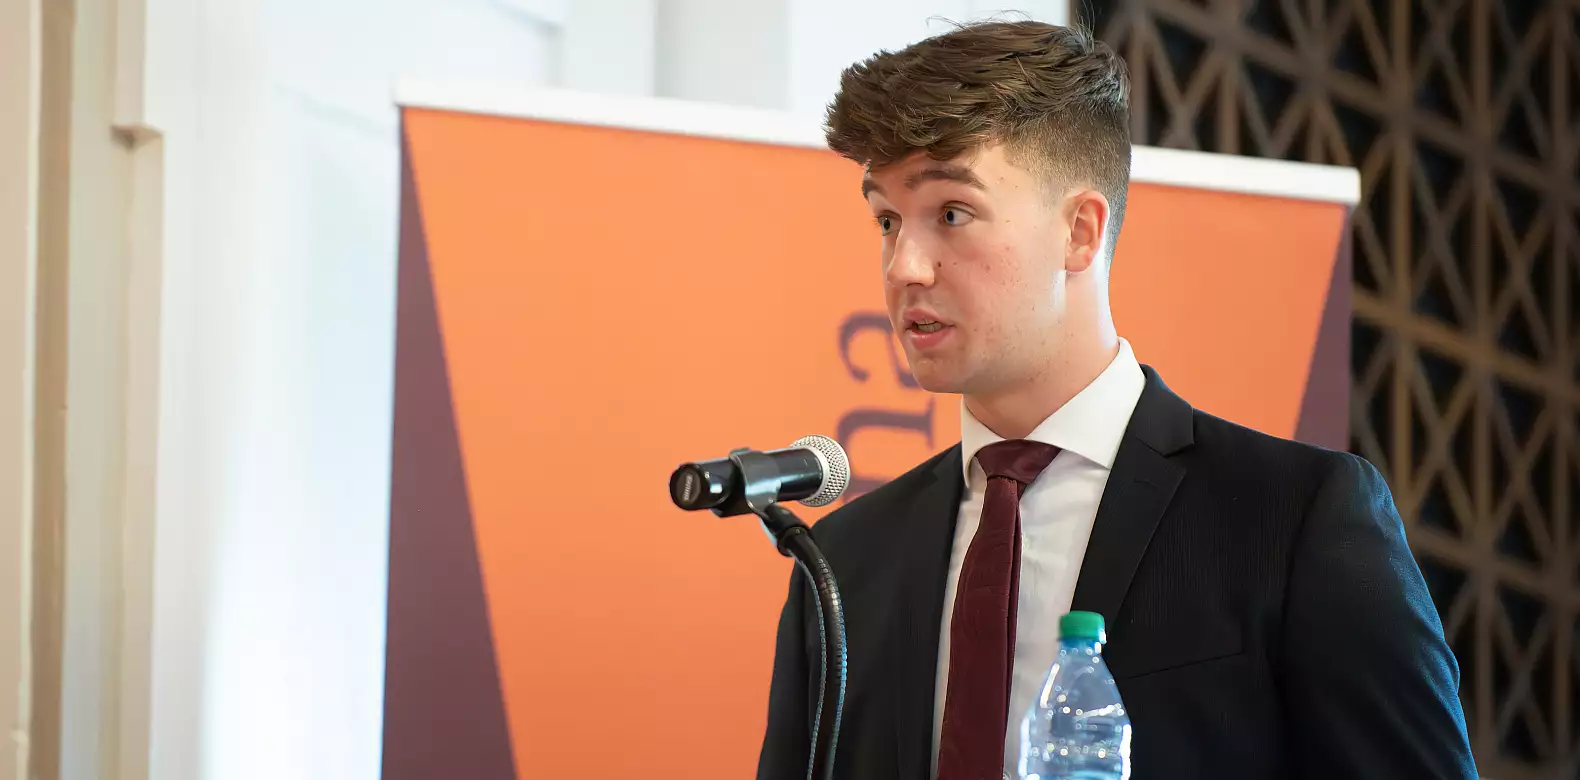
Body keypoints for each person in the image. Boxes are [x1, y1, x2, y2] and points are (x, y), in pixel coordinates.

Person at [755, 19, 1476, 780]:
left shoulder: (1294, 518)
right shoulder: (840, 564)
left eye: (951, 214)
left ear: (1080, 232)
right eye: (887, 220)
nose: (905, 266)